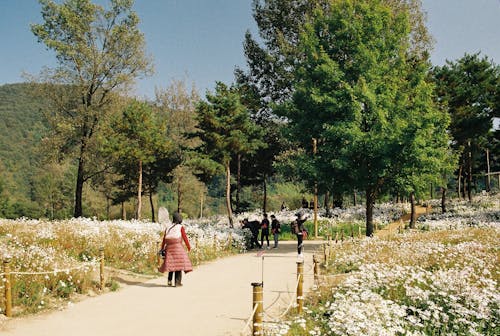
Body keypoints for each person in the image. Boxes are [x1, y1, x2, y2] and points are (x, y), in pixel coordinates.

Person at [158, 211, 193, 287]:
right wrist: (188, 247)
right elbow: (185, 238)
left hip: (169, 248)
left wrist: (162, 248)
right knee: (179, 265)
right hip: (178, 247)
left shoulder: (168, 227)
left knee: (171, 265)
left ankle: (169, 281)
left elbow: (164, 239)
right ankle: (177, 283)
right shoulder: (180, 227)